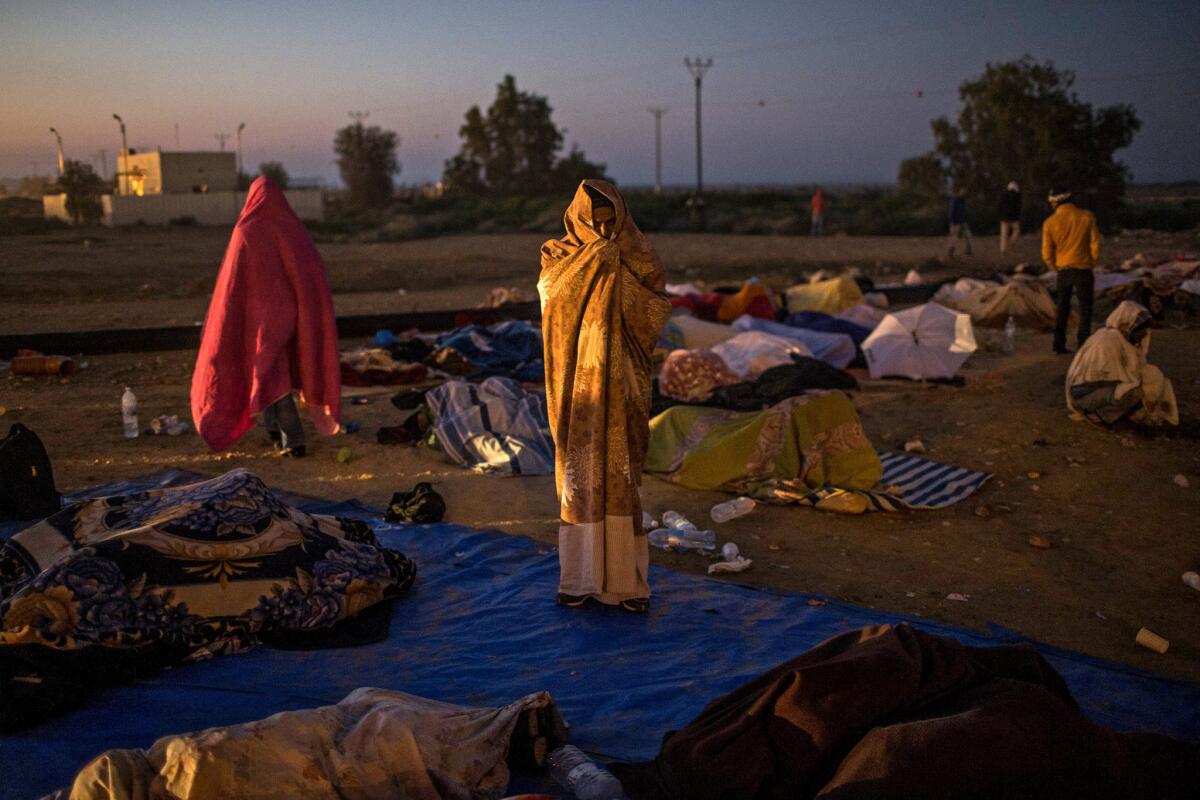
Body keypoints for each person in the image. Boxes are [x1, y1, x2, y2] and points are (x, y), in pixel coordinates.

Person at [539, 180, 671, 613]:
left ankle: (627, 585)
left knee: (621, 479)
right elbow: (551, 302)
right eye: (594, 223)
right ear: (579, 218)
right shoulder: (557, 258)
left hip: (623, 386)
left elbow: (655, 310)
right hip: (579, 389)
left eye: (610, 223)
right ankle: (578, 580)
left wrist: (617, 277)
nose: (603, 230)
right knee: (578, 481)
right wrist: (595, 264)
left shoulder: (639, 257)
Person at [191, 177, 341, 456]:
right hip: (293, 315)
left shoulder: (245, 230)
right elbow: (312, 272)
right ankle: (274, 431)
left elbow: (233, 284)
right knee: (272, 373)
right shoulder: (293, 229)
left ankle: (293, 440)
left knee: (272, 376)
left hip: (259, 321)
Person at [1065, 301, 1178, 427]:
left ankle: (1116, 412)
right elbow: (1094, 381)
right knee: (1134, 391)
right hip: (1085, 395)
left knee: (1153, 378)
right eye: (1141, 329)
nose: (1145, 334)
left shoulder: (1123, 340)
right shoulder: (1106, 341)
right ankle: (1099, 416)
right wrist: (1129, 384)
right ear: (1127, 325)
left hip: (1102, 391)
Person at [1042, 187, 1100, 354]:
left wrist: (1054, 266)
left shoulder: (1049, 222)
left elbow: (1046, 253)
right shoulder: (1087, 216)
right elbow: (1095, 244)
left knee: (1062, 309)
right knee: (1085, 309)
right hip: (1083, 269)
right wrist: (1091, 262)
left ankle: (1058, 345)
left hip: (1063, 270)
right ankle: (1083, 346)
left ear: (1055, 203)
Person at [947, 189, 972, 257]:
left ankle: (968, 250)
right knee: (954, 237)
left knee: (968, 235)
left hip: (962, 221)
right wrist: (952, 222)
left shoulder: (963, 201)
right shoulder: (955, 200)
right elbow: (951, 212)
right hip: (955, 222)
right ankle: (951, 252)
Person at [998, 181, 1021, 254]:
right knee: (1016, 231)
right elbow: (1018, 207)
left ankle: (1003, 250)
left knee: (1003, 235)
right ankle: (1012, 241)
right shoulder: (1017, 196)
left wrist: (1000, 215)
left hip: (1004, 218)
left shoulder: (1003, 195)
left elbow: (999, 206)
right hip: (1014, 218)